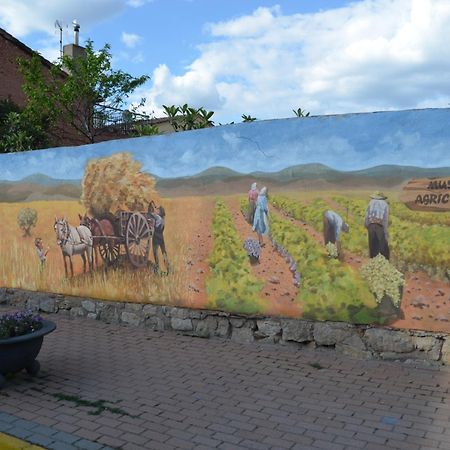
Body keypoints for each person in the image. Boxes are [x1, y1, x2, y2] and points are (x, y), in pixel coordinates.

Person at [364, 191, 390, 260]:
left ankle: (373, 262)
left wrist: (366, 224)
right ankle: (384, 263)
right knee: (382, 246)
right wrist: (385, 231)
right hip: (379, 226)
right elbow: (385, 219)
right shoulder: (385, 204)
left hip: (371, 225)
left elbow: (367, 215)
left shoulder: (371, 202)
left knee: (372, 245)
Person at [147, 201, 170, 274]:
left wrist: (150, 206)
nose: (156, 211)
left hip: (156, 237)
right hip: (161, 237)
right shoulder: (163, 219)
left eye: (158, 210)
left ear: (160, 212)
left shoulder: (157, 217)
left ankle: (158, 268)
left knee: (155, 253)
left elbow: (150, 214)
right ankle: (168, 268)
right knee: (163, 252)